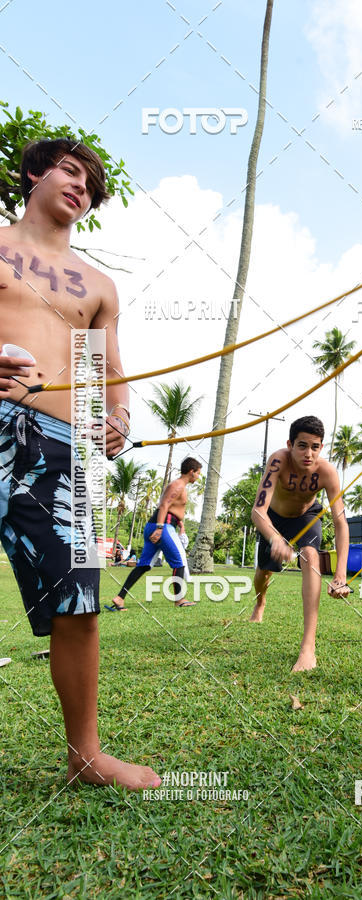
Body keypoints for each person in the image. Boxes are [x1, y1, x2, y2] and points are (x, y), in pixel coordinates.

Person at [0, 138, 161, 789]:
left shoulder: (98, 285)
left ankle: (85, 757)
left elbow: (107, 369)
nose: (81, 187)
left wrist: (117, 418)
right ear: (33, 173)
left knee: (80, 598)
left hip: (64, 447)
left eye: (91, 184)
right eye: (70, 171)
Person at [250, 415, 350, 671]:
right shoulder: (278, 461)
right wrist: (275, 538)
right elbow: (258, 511)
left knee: (310, 555)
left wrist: (340, 576)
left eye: (315, 447)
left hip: (306, 517)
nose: (309, 453)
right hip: (274, 518)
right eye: (302, 446)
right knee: (264, 573)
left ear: (321, 447)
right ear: (290, 444)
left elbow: (340, 523)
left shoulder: (327, 472)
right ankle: (260, 603)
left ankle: (308, 648)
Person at [107, 457, 202, 609]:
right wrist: (159, 528)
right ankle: (179, 600)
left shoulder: (180, 486)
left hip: (160, 525)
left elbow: (172, 508)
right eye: (198, 473)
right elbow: (164, 505)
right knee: (179, 562)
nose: (198, 476)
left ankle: (119, 598)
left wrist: (178, 523)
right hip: (163, 527)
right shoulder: (178, 485)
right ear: (191, 471)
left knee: (144, 565)